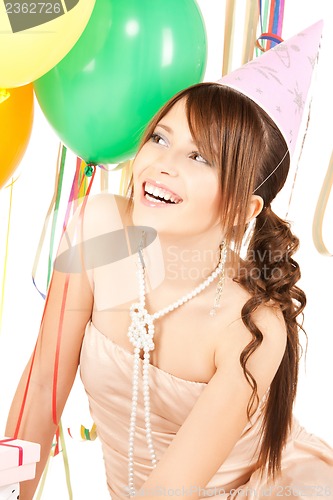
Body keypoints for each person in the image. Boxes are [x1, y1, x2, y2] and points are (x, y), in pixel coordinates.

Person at [5, 21, 333, 499]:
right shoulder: (99, 232)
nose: (163, 163)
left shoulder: (251, 329)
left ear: (243, 208)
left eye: (200, 157)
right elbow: (39, 392)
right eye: (160, 138)